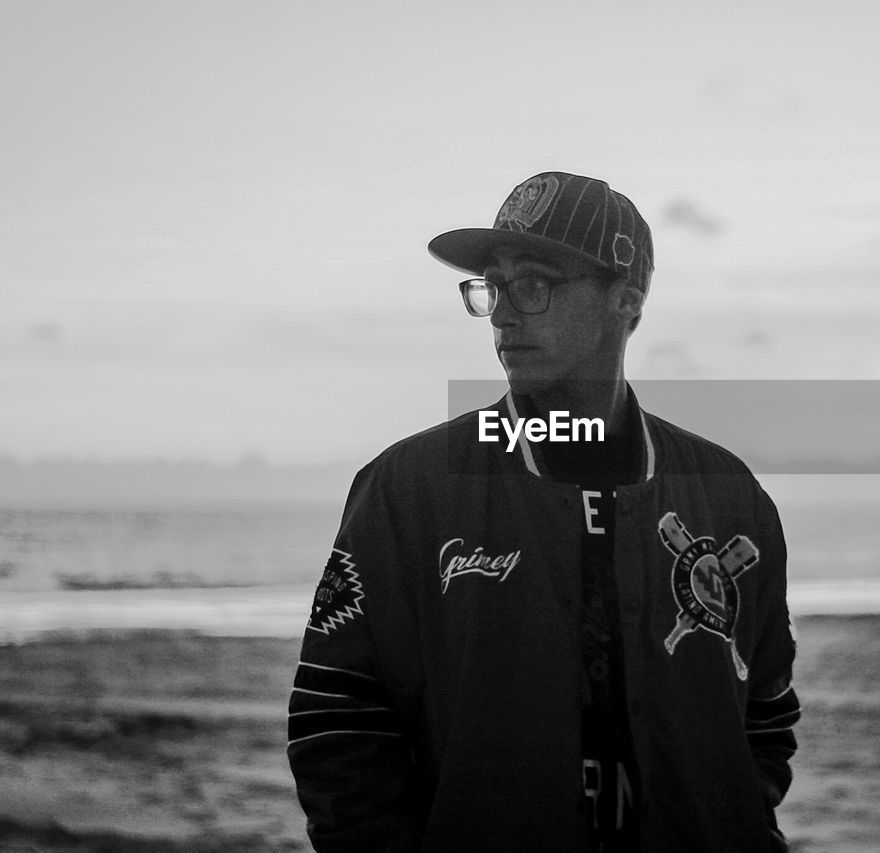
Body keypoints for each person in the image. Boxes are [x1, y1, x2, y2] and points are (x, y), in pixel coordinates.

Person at [287, 171, 800, 851]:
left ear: (626, 298)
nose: (502, 313)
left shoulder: (727, 494)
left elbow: (765, 715)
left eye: (532, 284)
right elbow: (336, 716)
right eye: (492, 287)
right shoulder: (412, 488)